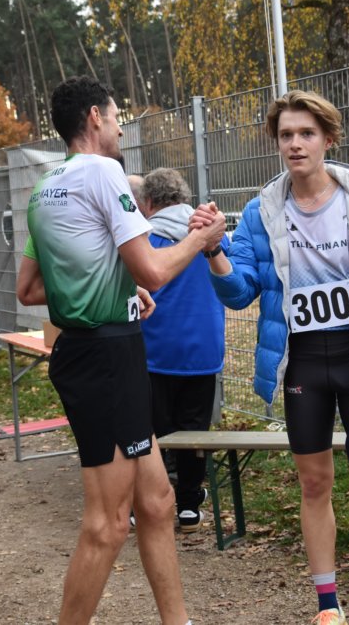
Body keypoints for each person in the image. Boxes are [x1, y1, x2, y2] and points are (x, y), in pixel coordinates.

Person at [192, 90, 349, 625]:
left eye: (306, 134)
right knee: (314, 483)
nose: (295, 144)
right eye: (286, 135)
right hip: (302, 363)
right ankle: (327, 606)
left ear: (328, 140)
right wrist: (213, 250)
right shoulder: (261, 212)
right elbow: (240, 292)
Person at [15, 75, 226, 625]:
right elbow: (154, 271)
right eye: (116, 118)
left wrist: (116, 287)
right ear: (94, 118)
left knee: (156, 503)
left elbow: (30, 290)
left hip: (100, 354)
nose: (121, 129)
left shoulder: (46, 185)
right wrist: (201, 239)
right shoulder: (105, 172)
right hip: (107, 359)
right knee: (107, 524)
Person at [139, 167, 229, 533]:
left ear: (148, 202)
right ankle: (189, 505)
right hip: (203, 349)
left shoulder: (145, 239)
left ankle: (146, 504)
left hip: (155, 350)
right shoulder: (209, 235)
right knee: (194, 431)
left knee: (151, 431)